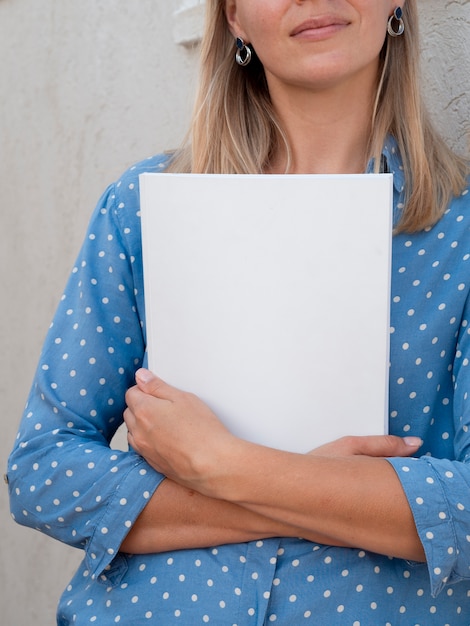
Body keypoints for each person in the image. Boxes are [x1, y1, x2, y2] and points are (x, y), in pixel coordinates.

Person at [7, 0, 470, 623]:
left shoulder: (462, 232)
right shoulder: (139, 210)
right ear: (233, 19)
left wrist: (220, 464)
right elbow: (43, 473)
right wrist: (323, 494)